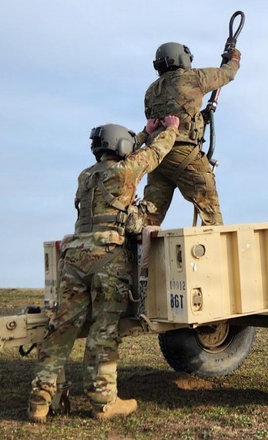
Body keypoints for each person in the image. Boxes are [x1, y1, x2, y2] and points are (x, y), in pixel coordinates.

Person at [27, 115, 179, 423]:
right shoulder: (125, 172)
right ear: (121, 146)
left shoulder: (85, 177)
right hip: (107, 258)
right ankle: (103, 403)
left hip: (73, 259)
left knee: (60, 331)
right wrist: (169, 131)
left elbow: (128, 150)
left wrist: (143, 132)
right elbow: (155, 154)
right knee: (103, 332)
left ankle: (39, 401)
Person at [140, 41, 240, 227]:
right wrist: (234, 58)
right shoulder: (194, 78)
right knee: (210, 210)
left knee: (150, 216)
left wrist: (200, 118)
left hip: (158, 157)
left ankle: (142, 252)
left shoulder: (151, 91)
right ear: (182, 58)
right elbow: (227, 74)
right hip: (185, 154)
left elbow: (161, 119)